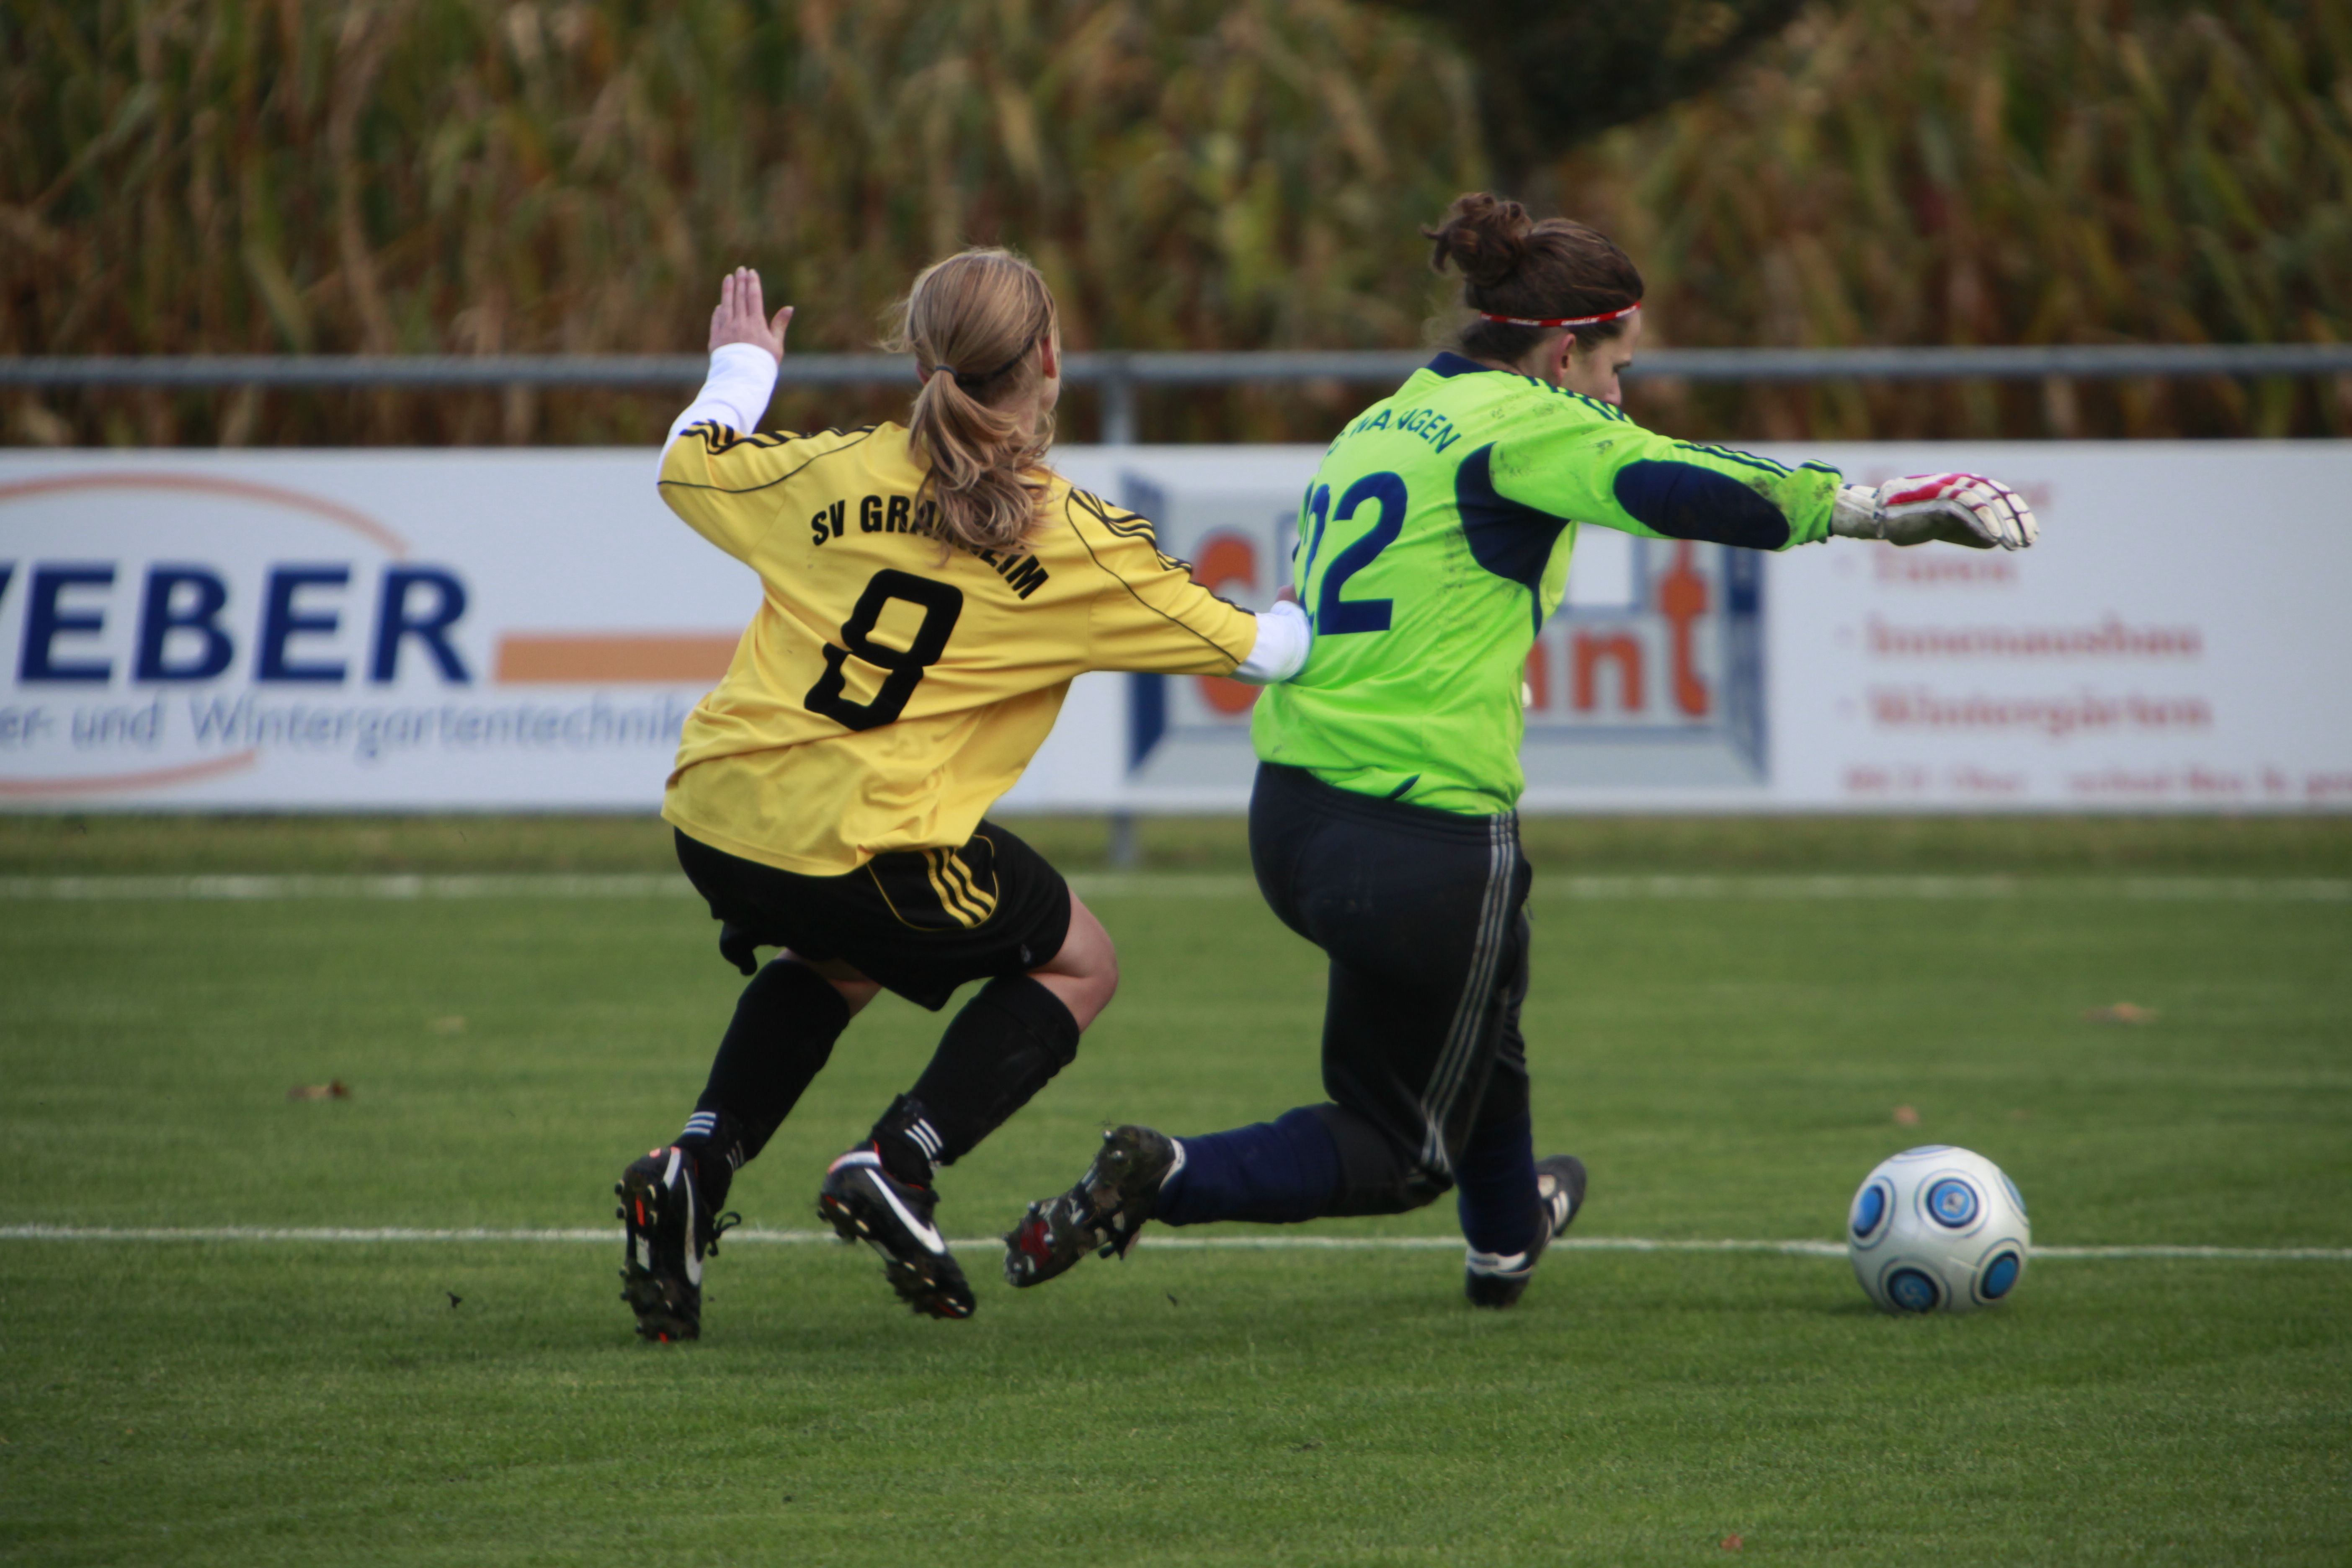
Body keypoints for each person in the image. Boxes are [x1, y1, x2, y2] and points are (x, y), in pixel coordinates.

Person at [1002, 192, 2037, 1308]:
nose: (1618, 396)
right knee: (1403, 1145)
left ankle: (1507, 1240)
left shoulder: (1387, 421)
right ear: (1562, 351)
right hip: (1423, 835)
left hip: (1294, 821)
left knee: (1485, 995)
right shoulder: (1529, 421)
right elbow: (1673, 482)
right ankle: (1167, 1175)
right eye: (1615, 367)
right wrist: (1871, 509)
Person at [616, 253, 1312, 1339]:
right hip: (863, 842)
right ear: (1049, 358)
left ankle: (694, 1168)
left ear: (920, 360)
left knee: (840, 960)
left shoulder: (832, 468)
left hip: (716, 811)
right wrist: (1316, 596)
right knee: (1082, 961)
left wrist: (744, 368)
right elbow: (1267, 654)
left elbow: (685, 464)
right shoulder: (1071, 534)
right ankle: (900, 1161)